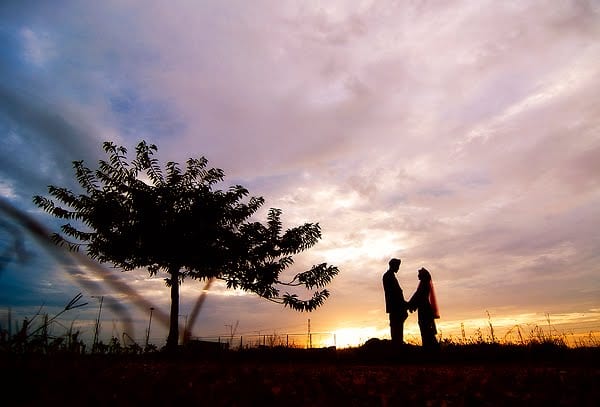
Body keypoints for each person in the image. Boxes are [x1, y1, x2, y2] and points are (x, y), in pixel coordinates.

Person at [408, 267, 440, 352]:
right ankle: (432, 348)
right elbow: (418, 296)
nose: (418, 276)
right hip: (424, 308)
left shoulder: (423, 284)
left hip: (424, 309)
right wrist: (411, 305)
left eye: (419, 274)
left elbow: (418, 295)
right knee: (426, 329)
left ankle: (430, 349)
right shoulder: (424, 283)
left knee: (425, 329)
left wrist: (410, 305)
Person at [382, 258, 409, 345]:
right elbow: (394, 294)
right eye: (397, 266)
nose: (398, 268)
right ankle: (397, 347)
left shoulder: (390, 276)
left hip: (397, 307)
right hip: (395, 308)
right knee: (396, 329)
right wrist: (404, 304)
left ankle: (398, 345)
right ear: (393, 266)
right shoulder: (388, 276)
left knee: (397, 329)